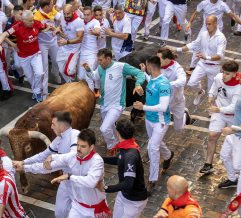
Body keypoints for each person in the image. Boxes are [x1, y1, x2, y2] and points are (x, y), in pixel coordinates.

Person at [37, 129, 113, 218]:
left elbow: (91, 182)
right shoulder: (74, 155)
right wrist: (50, 157)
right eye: (77, 144)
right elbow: (61, 158)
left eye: (83, 146)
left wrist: (69, 176)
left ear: (91, 147)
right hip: (78, 206)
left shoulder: (97, 161)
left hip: (95, 209)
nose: (78, 148)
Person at [13, 111, 80, 218]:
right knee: (59, 213)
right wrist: (23, 162)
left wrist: (25, 168)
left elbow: (68, 158)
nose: (51, 127)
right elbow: (43, 156)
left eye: (53, 124)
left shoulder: (76, 135)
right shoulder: (59, 139)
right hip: (65, 181)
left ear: (62, 127)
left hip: (79, 183)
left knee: (80, 215)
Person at [96, 119, 148, 218]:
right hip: (124, 196)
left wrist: (106, 188)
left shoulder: (130, 154)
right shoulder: (126, 146)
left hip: (135, 200)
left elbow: (129, 183)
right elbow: (119, 160)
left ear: (117, 133)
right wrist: (100, 158)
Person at [82, 48, 144, 156]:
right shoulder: (101, 68)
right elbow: (94, 76)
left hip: (117, 105)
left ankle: (111, 147)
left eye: (101, 60)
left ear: (108, 59)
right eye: (98, 60)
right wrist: (88, 70)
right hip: (103, 104)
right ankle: (118, 142)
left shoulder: (121, 67)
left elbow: (139, 73)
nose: (98, 62)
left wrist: (138, 84)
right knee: (111, 127)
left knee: (104, 128)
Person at [133, 56, 173, 195]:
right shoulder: (154, 79)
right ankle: (168, 155)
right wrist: (144, 73)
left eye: (146, 67)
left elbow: (163, 106)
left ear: (151, 67)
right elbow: (151, 81)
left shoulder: (164, 84)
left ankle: (152, 180)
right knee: (155, 142)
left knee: (153, 147)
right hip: (149, 119)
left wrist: (142, 107)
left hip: (160, 121)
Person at [0, 10, 54, 102]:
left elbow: (48, 26)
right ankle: (36, 91)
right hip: (23, 57)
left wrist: (56, 31)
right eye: (30, 21)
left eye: (33, 20)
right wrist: (0, 43)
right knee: (30, 77)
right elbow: (4, 34)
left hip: (36, 53)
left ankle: (37, 92)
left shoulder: (36, 23)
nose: (32, 22)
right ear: (23, 20)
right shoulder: (17, 27)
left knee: (39, 73)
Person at [171, 15, 227, 106]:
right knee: (191, 83)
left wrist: (206, 57)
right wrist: (177, 49)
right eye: (206, 24)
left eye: (209, 24)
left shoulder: (221, 38)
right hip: (202, 64)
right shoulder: (203, 34)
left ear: (216, 23)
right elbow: (194, 44)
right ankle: (200, 92)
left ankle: (212, 110)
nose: (207, 26)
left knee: (212, 91)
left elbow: (220, 55)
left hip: (214, 67)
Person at [201, 61, 240, 176]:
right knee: (212, 136)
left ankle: (236, 169)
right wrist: (211, 95)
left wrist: (219, 110)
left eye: (227, 74)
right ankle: (208, 164)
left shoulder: (238, 88)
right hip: (219, 113)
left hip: (234, 118)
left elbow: (234, 107)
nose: (224, 75)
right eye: (223, 72)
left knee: (234, 144)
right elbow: (214, 86)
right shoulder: (219, 77)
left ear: (234, 74)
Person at [185, 0, 241, 74]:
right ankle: (192, 67)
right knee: (197, 46)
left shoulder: (222, 5)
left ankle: (215, 66)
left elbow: (233, 15)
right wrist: (189, 22)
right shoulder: (204, 3)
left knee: (216, 49)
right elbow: (195, 13)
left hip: (217, 31)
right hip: (205, 29)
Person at [147, 48, 191, 132]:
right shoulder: (156, 67)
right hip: (161, 101)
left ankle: (184, 115)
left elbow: (182, 81)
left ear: (166, 60)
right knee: (158, 126)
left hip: (176, 101)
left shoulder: (177, 68)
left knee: (178, 129)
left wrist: (167, 85)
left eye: (158, 58)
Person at [53, 4, 84, 84]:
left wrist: (66, 42)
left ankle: (72, 81)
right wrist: (58, 29)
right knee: (61, 70)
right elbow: (61, 25)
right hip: (62, 48)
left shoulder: (78, 21)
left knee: (69, 71)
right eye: (64, 13)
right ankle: (71, 83)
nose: (66, 16)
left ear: (73, 12)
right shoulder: (63, 17)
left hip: (73, 50)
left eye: (68, 13)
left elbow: (80, 38)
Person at [34, 0, 62, 86]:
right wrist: (46, 29)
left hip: (53, 41)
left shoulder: (52, 10)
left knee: (57, 61)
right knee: (44, 66)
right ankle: (44, 87)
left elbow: (61, 19)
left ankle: (55, 73)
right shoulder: (36, 17)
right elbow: (35, 31)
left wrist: (57, 28)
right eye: (51, 4)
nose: (54, 5)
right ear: (46, 7)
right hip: (42, 44)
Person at [77, 7, 101, 91]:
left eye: (88, 15)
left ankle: (90, 99)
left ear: (92, 15)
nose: (86, 16)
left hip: (91, 54)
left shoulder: (95, 22)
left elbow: (98, 31)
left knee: (89, 78)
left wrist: (94, 32)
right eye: (84, 14)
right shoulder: (81, 22)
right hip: (82, 53)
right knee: (80, 77)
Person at [4, 5, 25, 85]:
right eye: (20, 14)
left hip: (17, 45)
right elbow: (3, 36)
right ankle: (6, 82)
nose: (22, 16)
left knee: (19, 64)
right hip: (8, 46)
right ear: (15, 14)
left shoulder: (23, 21)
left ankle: (19, 74)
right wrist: (12, 44)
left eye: (22, 13)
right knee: (6, 64)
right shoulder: (9, 23)